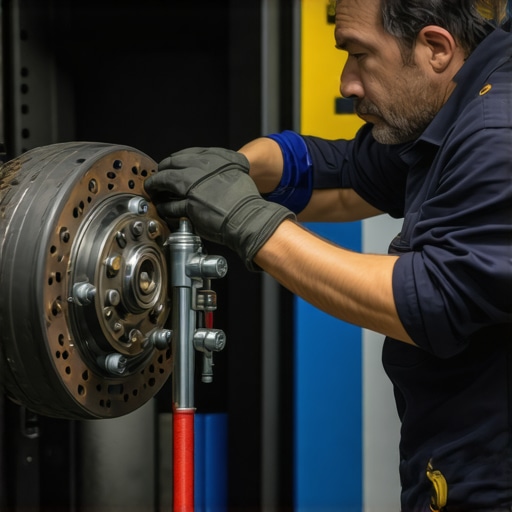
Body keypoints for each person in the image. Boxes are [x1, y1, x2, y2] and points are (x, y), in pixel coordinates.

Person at [145, 0, 512, 510]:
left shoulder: (497, 129)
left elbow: (434, 298)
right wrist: (235, 171)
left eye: (361, 55)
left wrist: (247, 221)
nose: (347, 83)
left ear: (435, 48)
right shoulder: (456, 105)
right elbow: (342, 173)